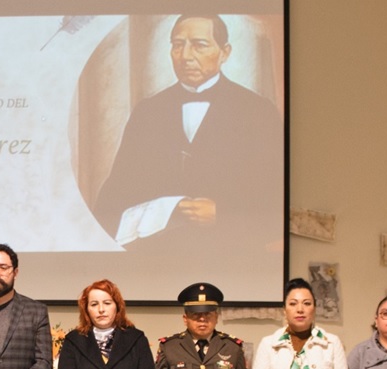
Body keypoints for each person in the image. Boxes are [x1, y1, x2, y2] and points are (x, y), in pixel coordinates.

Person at [94, 14, 281, 246]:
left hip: (232, 256)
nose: (185, 56)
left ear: (225, 52)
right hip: (157, 259)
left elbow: (274, 199)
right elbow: (114, 197)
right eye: (177, 45)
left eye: (199, 45)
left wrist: (221, 214)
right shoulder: (147, 112)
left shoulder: (258, 110)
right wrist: (165, 209)